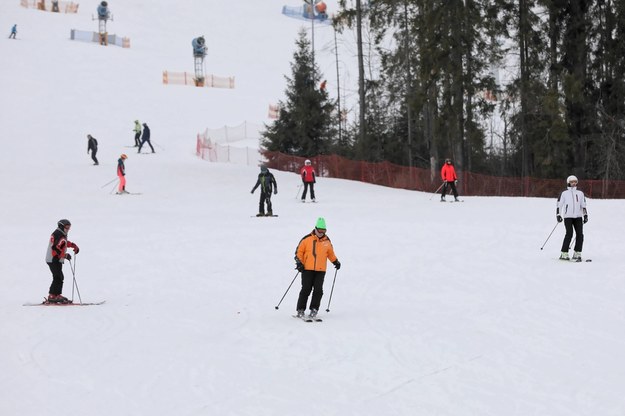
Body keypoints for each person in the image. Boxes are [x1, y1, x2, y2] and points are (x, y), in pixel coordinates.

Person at [294, 217, 340, 318]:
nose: (321, 233)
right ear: (315, 229)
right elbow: (299, 252)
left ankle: (314, 309)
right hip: (307, 269)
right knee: (306, 289)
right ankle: (300, 309)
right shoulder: (307, 239)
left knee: (318, 290)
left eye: (323, 231)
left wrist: (335, 262)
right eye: (320, 231)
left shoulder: (327, 242)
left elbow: (330, 254)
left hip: (320, 270)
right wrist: (299, 263)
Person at [45, 219, 79, 303]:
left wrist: (73, 245)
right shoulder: (58, 234)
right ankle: (52, 295)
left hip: (57, 259)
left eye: (69, 227)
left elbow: (64, 242)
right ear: (61, 226)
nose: (68, 229)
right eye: (67, 227)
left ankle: (57, 295)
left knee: (59, 277)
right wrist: (65, 255)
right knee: (58, 277)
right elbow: (55, 248)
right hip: (53, 259)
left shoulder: (60, 234)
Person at [556, 175, 588, 260]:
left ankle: (577, 253)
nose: (573, 183)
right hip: (568, 217)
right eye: (572, 182)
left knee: (580, 235)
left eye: (575, 182)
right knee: (569, 234)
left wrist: (585, 215)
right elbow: (559, 205)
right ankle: (564, 253)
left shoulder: (580, 193)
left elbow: (583, 205)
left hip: (578, 217)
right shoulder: (564, 193)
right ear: (568, 183)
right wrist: (558, 215)